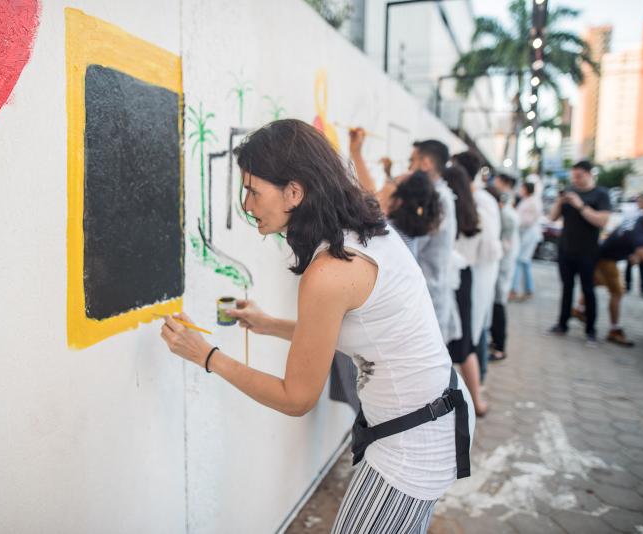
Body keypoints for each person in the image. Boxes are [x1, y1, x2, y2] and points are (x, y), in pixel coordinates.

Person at [159, 119, 473, 532]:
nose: (247, 205)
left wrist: (206, 356)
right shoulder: (361, 228)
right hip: (430, 417)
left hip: (415, 444)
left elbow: (296, 398)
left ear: (294, 192)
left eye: (253, 191)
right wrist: (268, 324)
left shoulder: (329, 271)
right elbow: (350, 329)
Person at [350, 131, 459, 345]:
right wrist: (357, 153)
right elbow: (372, 196)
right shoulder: (404, 225)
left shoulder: (389, 235)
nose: (408, 168)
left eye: (412, 161)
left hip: (418, 301)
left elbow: (370, 198)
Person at [587, 204, 643, 346]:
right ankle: (614, 330)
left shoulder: (641, 221)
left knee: (595, 283)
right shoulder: (639, 231)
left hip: (605, 254)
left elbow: (629, 238)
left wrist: (635, 253)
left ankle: (579, 309)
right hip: (606, 258)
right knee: (617, 292)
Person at [442, 163, 488, 416]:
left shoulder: (443, 209)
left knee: (445, 339)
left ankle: (455, 400)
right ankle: (477, 400)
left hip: (447, 278)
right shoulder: (474, 213)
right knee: (465, 341)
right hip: (465, 276)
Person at [548, 161, 611, 343]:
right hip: (566, 249)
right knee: (567, 288)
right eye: (573, 176)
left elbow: (602, 221)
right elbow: (552, 217)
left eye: (579, 176)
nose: (575, 180)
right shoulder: (569, 191)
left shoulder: (600, 194)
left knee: (588, 289)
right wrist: (560, 202)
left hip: (587, 251)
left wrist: (580, 205)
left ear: (590, 174)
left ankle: (590, 329)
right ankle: (562, 324)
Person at [454, 152, 502, 382]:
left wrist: (467, 258)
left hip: (479, 269)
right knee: (474, 323)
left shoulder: (481, 199)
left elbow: (490, 246)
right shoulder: (471, 196)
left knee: (475, 322)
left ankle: (479, 376)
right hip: (471, 268)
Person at [489, 181, 520, 362]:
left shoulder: (506, 216)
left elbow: (505, 244)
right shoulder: (504, 213)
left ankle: (500, 347)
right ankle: (495, 342)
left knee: (498, 303)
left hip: (502, 266)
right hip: (499, 265)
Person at [510, 182, 542, 301]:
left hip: (528, 235)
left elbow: (527, 220)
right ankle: (528, 289)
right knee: (524, 261)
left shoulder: (533, 202)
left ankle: (514, 290)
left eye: (522, 188)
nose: (520, 190)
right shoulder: (528, 200)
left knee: (520, 260)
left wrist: (515, 221)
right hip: (525, 234)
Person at [624, 194, 643, 297]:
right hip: (631, 242)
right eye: (640, 202)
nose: (642, 204)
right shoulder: (631, 212)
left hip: (642, 243)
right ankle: (627, 285)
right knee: (629, 264)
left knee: (642, 266)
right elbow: (627, 226)